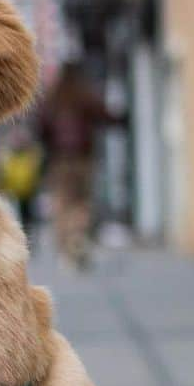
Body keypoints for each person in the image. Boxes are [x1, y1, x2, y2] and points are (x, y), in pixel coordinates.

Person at [40, 61, 124, 267]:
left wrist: (48, 146)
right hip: (83, 157)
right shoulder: (84, 95)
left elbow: (42, 126)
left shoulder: (54, 98)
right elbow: (103, 115)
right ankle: (79, 238)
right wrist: (120, 119)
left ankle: (66, 247)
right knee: (82, 201)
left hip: (59, 159)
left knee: (62, 202)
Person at [0, 123, 43, 242]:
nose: (18, 140)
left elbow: (38, 174)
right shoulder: (5, 156)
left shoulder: (33, 155)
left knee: (27, 217)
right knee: (13, 216)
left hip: (28, 193)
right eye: (16, 138)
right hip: (11, 193)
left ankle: (28, 236)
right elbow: (0, 175)